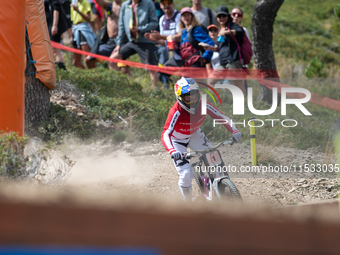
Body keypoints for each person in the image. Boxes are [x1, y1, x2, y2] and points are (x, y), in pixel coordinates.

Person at [161, 77, 242, 201]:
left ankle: (218, 187)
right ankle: (188, 204)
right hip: (177, 141)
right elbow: (165, 134)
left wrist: (234, 130)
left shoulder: (203, 105)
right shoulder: (176, 111)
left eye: (194, 95)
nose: (192, 100)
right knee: (186, 174)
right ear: (180, 97)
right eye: (188, 97)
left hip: (194, 135)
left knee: (214, 161)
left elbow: (222, 117)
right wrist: (172, 151)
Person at [109, 0, 159, 90]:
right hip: (132, 42)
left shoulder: (148, 3)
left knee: (152, 68)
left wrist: (139, 29)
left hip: (146, 41)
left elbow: (154, 22)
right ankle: (117, 88)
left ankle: (156, 93)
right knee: (112, 60)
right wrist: (118, 44)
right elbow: (121, 26)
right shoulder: (125, 5)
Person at [204, 5, 246, 93]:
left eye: (224, 16)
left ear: (228, 16)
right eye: (219, 16)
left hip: (233, 61)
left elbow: (240, 32)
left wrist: (227, 32)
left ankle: (244, 102)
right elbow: (220, 48)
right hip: (223, 63)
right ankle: (213, 100)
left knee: (237, 85)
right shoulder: (219, 31)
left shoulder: (232, 25)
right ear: (217, 18)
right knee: (211, 80)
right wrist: (211, 48)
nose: (222, 18)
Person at [85, 0, 131, 76]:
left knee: (124, 69)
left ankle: (126, 85)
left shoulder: (126, 7)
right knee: (89, 60)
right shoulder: (109, 6)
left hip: (122, 41)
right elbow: (98, 1)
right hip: (109, 42)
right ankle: (97, 79)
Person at [155, 0, 181, 88]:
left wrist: (161, 36)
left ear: (173, 4)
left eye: (169, 3)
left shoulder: (178, 16)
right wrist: (153, 39)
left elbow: (180, 36)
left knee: (184, 81)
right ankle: (169, 92)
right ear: (160, 5)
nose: (166, 5)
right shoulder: (162, 19)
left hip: (183, 55)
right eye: (163, 3)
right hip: (174, 55)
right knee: (161, 73)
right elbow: (164, 41)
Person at [70, 0, 96, 69]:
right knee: (75, 62)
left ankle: (92, 76)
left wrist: (78, 11)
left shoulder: (86, 2)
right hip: (75, 31)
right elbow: (74, 21)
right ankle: (87, 76)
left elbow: (89, 19)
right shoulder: (73, 3)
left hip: (84, 30)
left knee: (87, 59)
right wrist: (71, 35)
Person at [44, 0, 69, 70]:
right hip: (49, 25)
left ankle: (63, 71)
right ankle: (60, 69)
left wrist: (54, 25)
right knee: (53, 50)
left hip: (54, 26)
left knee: (55, 50)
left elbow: (56, 9)